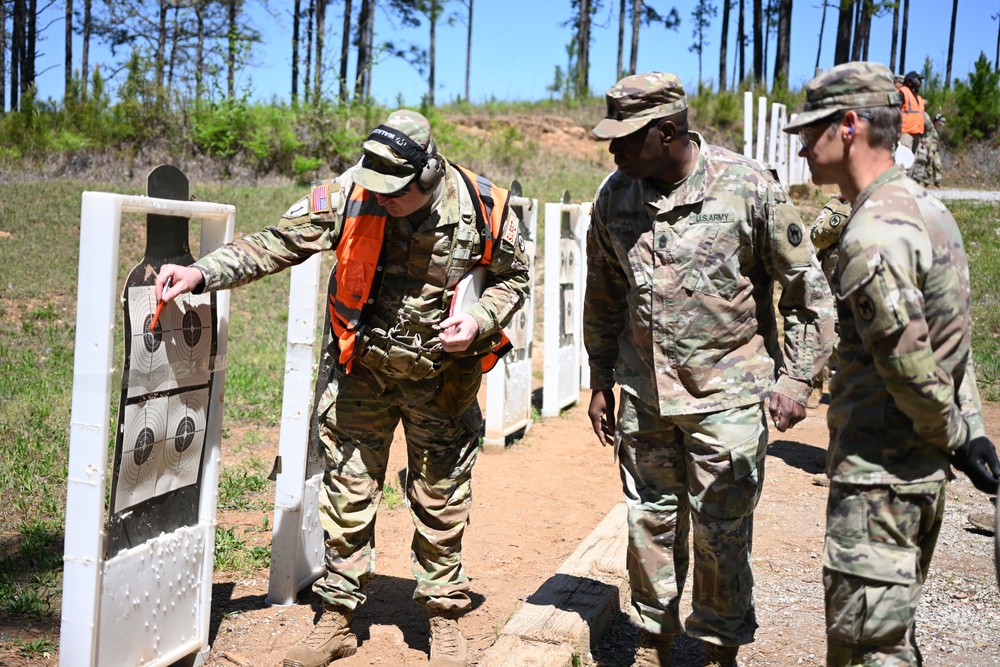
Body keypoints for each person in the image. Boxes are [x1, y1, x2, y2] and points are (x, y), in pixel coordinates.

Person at [155, 109, 530, 667]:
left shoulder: (484, 207)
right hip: (363, 376)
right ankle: (337, 618)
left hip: (441, 381)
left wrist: (480, 319)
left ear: (427, 177)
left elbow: (516, 278)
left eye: (395, 192)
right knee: (348, 496)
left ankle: (443, 618)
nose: (381, 199)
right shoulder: (355, 192)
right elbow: (278, 242)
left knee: (441, 498)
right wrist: (202, 272)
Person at [584, 71, 835, 667]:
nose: (613, 150)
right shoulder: (615, 195)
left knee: (722, 537)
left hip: (728, 399)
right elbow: (604, 294)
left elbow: (808, 292)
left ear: (666, 132)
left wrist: (797, 378)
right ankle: (653, 645)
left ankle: (720, 652)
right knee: (649, 523)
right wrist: (599, 381)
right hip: (647, 399)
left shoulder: (747, 187)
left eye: (625, 138)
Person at [785, 61, 1000, 666]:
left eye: (811, 130)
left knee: (866, 653)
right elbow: (953, 345)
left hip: (880, 476)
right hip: (916, 475)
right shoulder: (929, 212)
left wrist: (958, 435)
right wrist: (973, 431)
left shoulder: (871, 232)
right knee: (889, 640)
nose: (802, 147)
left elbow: (909, 364)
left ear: (849, 126)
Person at [911, 111, 943, 187]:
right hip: (928, 147)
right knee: (926, 163)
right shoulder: (928, 130)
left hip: (933, 148)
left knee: (937, 164)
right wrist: (930, 150)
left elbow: (935, 140)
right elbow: (928, 140)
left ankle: (936, 181)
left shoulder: (934, 131)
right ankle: (925, 181)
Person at [897, 70, 926, 152]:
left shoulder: (919, 98)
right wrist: (897, 130)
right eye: (918, 79)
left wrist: (923, 136)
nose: (920, 82)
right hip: (905, 133)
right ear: (911, 81)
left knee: (912, 161)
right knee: (903, 162)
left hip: (917, 133)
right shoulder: (903, 93)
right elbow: (896, 112)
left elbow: (921, 118)